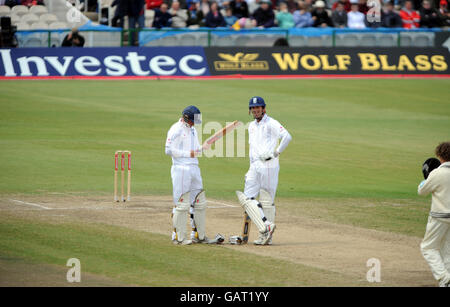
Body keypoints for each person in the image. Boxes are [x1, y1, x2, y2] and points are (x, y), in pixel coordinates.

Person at [236, 96, 292, 245]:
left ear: (264, 109)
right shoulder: (252, 125)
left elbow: (287, 136)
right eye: (253, 108)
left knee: (266, 200)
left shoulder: (272, 123)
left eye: (258, 108)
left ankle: (267, 236)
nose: (256, 110)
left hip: (269, 165)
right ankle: (265, 226)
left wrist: (276, 152)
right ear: (250, 110)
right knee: (247, 199)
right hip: (254, 166)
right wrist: (250, 165)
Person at [165, 106, 208, 245]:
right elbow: (168, 150)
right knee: (182, 203)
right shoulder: (176, 129)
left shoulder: (193, 129)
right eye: (194, 120)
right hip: (181, 168)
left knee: (199, 201)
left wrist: (201, 148)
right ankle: (178, 237)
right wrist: (187, 154)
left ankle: (198, 235)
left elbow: (194, 150)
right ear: (186, 118)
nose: (195, 123)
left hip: (194, 167)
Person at [418, 141, 450, 287]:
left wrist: (425, 180)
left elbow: (422, 191)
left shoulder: (437, 173)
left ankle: (444, 277)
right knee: (446, 249)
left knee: (428, 248)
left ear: (439, 156)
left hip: (439, 217)